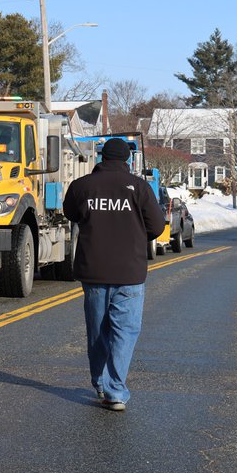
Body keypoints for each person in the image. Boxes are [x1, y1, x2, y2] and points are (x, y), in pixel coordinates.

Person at [62, 137, 166, 411]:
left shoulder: (82, 186)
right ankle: (115, 391)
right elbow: (157, 226)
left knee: (98, 330)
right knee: (125, 331)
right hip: (130, 271)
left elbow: (70, 213)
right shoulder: (140, 188)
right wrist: (135, 233)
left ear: (102, 158)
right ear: (127, 160)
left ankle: (100, 382)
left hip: (94, 270)